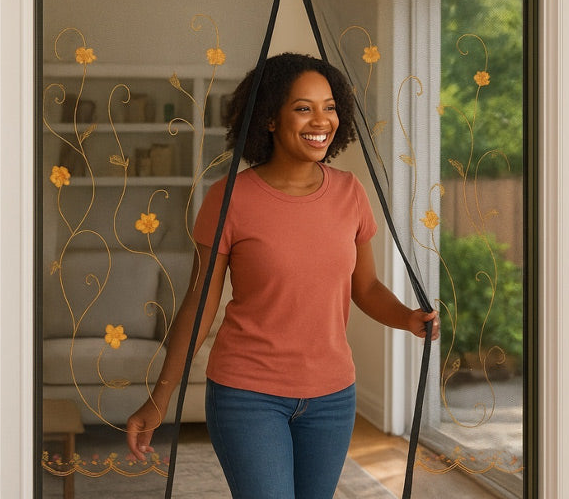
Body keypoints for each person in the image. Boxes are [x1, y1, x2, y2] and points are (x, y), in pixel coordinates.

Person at [126, 52, 439, 499]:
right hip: (247, 395)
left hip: (332, 397)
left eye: (329, 106)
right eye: (303, 107)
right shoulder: (229, 197)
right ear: (269, 119)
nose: (321, 119)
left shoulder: (350, 193)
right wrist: (159, 398)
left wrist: (406, 317)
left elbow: (364, 287)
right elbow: (199, 305)